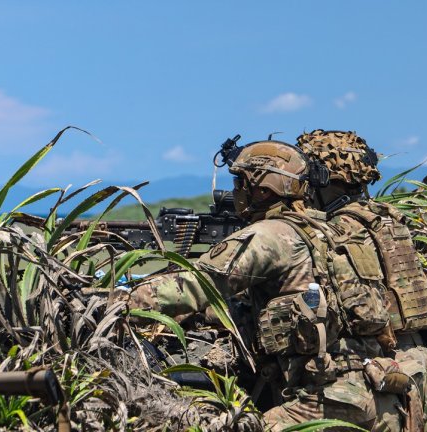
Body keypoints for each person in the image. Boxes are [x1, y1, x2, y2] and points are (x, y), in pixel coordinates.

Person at [128, 139, 408, 431]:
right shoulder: (325, 229)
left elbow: (194, 285)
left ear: (262, 188)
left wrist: (121, 301)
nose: (234, 191)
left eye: (240, 182)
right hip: (373, 394)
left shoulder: (268, 236)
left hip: (322, 403)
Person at [297, 129, 427, 432]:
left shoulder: (340, 230)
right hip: (419, 359)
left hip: (384, 367)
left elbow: (359, 315)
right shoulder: (385, 217)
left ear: (320, 178)